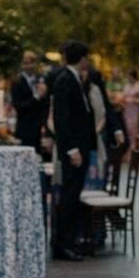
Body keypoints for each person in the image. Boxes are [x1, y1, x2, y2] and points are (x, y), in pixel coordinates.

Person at [51, 40, 97, 262]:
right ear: (82, 58)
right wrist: (71, 149)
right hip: (74, 150)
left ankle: (69, 241)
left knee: (73, 195)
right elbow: (63, 120)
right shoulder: (64, 81)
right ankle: (62, 244)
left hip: (81, 146)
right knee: (68, 197)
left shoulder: (75, 79)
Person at [11, 51, 49, 152]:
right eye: (25, 63)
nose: (29, 66)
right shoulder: (17, 81)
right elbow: (19, 106)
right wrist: (37, 97)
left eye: (31, 63)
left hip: (40, 128)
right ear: (21, 65)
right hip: (25, 129)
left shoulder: (40, 79)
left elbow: (45, 104)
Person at [120, 70, 139, 154]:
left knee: (133, 130)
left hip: (135, 111)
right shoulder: (126, 86)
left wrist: (132, 99)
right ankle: (130, 149)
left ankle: (132, 151)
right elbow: (123, 97)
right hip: (127, 110)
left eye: (129, 76)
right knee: (127, 130)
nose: (128, 78)